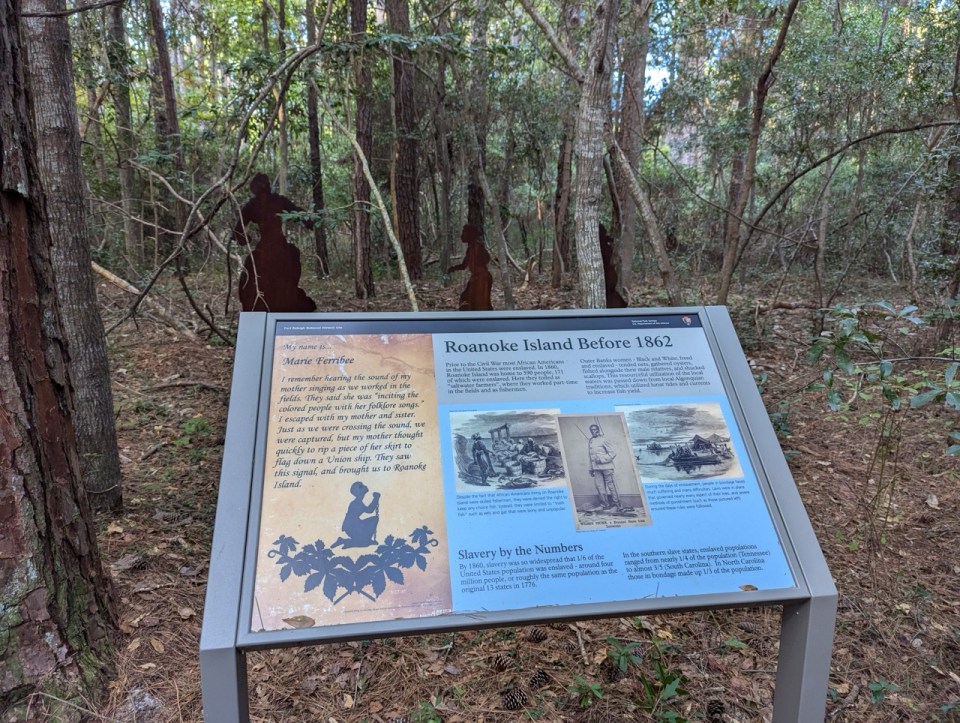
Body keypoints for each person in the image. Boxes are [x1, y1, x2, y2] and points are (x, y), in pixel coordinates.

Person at [234, 173, 317, 312]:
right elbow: (238, 233)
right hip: (267, 248)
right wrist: (245, 239)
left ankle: (285, 298)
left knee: (292, 255)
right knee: (253, 267)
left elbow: (298, 212)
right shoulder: (253, 205)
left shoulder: (276, 201)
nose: (262, 195)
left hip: (277, 246)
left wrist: (308, 219)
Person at [447, 224, 493, 311]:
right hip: (477, 278)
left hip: (482, 279)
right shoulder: (471, 248)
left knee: (480, 304)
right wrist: (453, 268)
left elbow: (487, 258)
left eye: (464, 233)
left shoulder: (478, 247)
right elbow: (464, 265)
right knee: (467, 299)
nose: (462, 236)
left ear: (470, 234)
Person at [331, 481, 380, 548]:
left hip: (353, 525)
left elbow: (369, 510)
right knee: (374, 519)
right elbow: (370, 510)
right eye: (361, 486)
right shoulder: (356, 503)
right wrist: (376, 498)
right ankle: (345, 541)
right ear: (359, 491)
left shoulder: (358, 502)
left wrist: (375, 499)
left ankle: (343, 540)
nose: (365, 486)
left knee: (374, 519)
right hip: (352, 527)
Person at [588, 423, 621, 510]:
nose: (593, 431)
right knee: (600, 487)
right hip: (596, 468)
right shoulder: (591, 441)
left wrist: (602, 459)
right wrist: (591, 468)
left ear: (598, 430)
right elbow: (590, 457)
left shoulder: (604, 439)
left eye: (595, 429)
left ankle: (616, 505)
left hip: (607, 467)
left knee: (611, 486)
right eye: (591, 430)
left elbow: (613, 453)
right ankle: (604, 505)